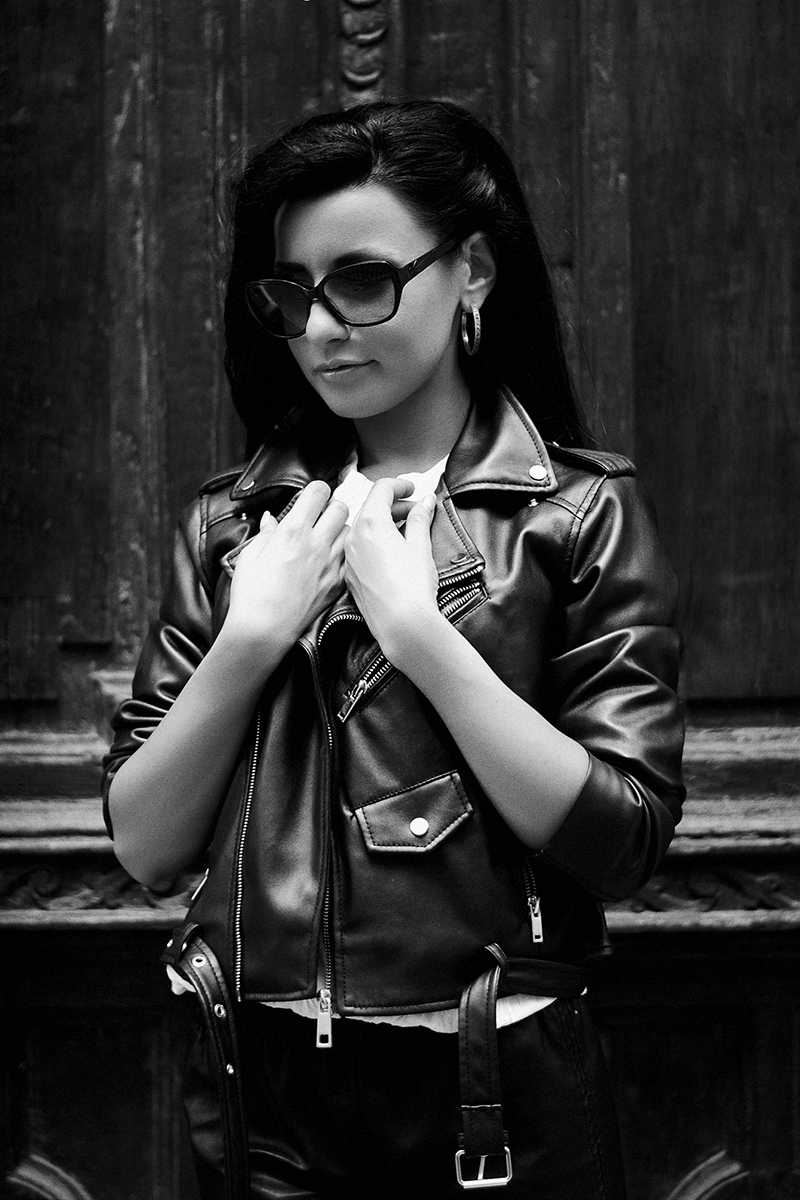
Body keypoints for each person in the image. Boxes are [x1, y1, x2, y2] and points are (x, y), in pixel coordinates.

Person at [102, 100, 685, 1200]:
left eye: (363, 281)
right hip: (259, 1097)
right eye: (291, 294)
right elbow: (145, 842)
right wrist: (250, 638)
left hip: (494, 1100)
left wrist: (422, 635)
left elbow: (623, 840)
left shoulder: (574, 516)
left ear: (472, 273)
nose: (322, 327)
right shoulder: (232, 528)